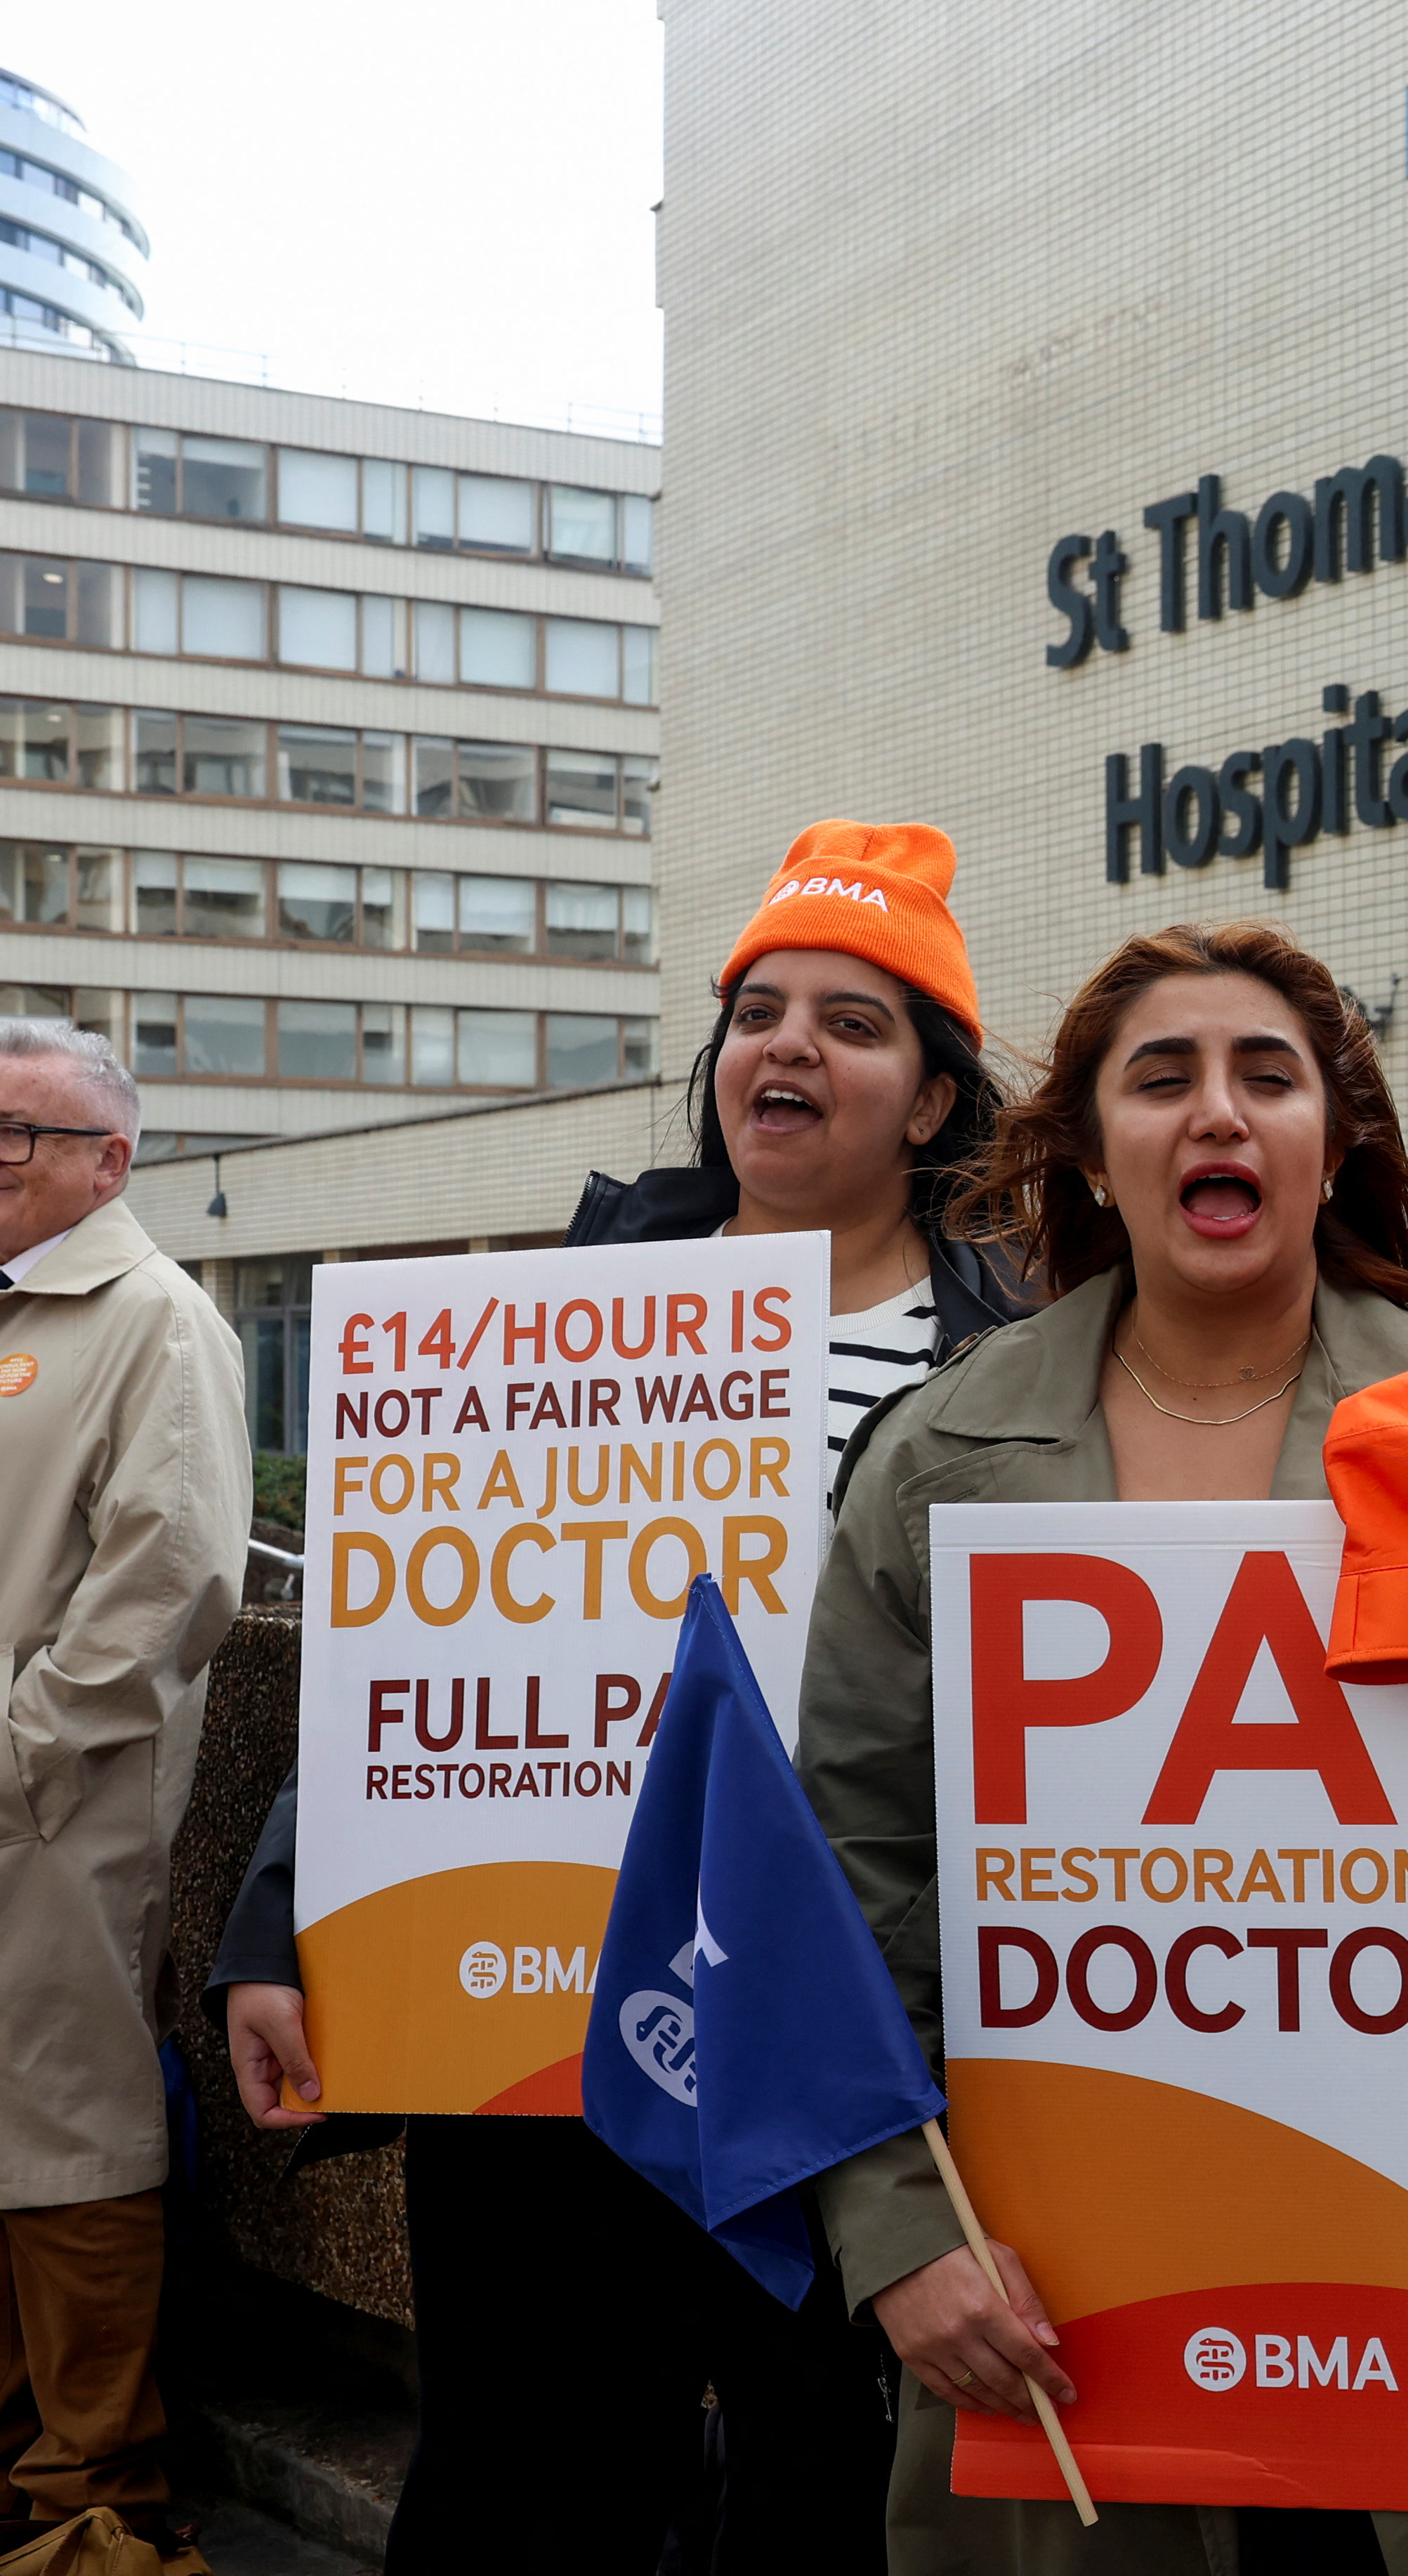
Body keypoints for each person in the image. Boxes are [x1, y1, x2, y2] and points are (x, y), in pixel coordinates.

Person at [791, 922, 1408, 2576]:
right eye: (1163, 1078)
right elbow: (843, 1878)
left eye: (1265, 1076)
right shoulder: (936, 1458)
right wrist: (900, 2238)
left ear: (1329, 1139)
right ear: (1084, 1144)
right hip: (1060, 2292)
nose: (1217, 1112)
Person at [206, 820, 1020, 2574]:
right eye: (757, 1012)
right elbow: (407, 1650)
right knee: (525, 2484)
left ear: (935, 1100)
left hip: (853, 2017)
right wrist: (282, 1922)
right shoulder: (559, 1316)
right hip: (546, 2010)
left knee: (820, 2490)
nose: (786, 1048)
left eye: (853, 1022)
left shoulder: (1020, 1367)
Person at [0, 1019, 244, 2576]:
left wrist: (17, 1744)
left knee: (68, 2126)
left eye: (19, 1132)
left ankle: (90, 2484)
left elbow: (174, 1577)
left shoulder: (153, 1313)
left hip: (58, 1801)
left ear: (112, 1158)